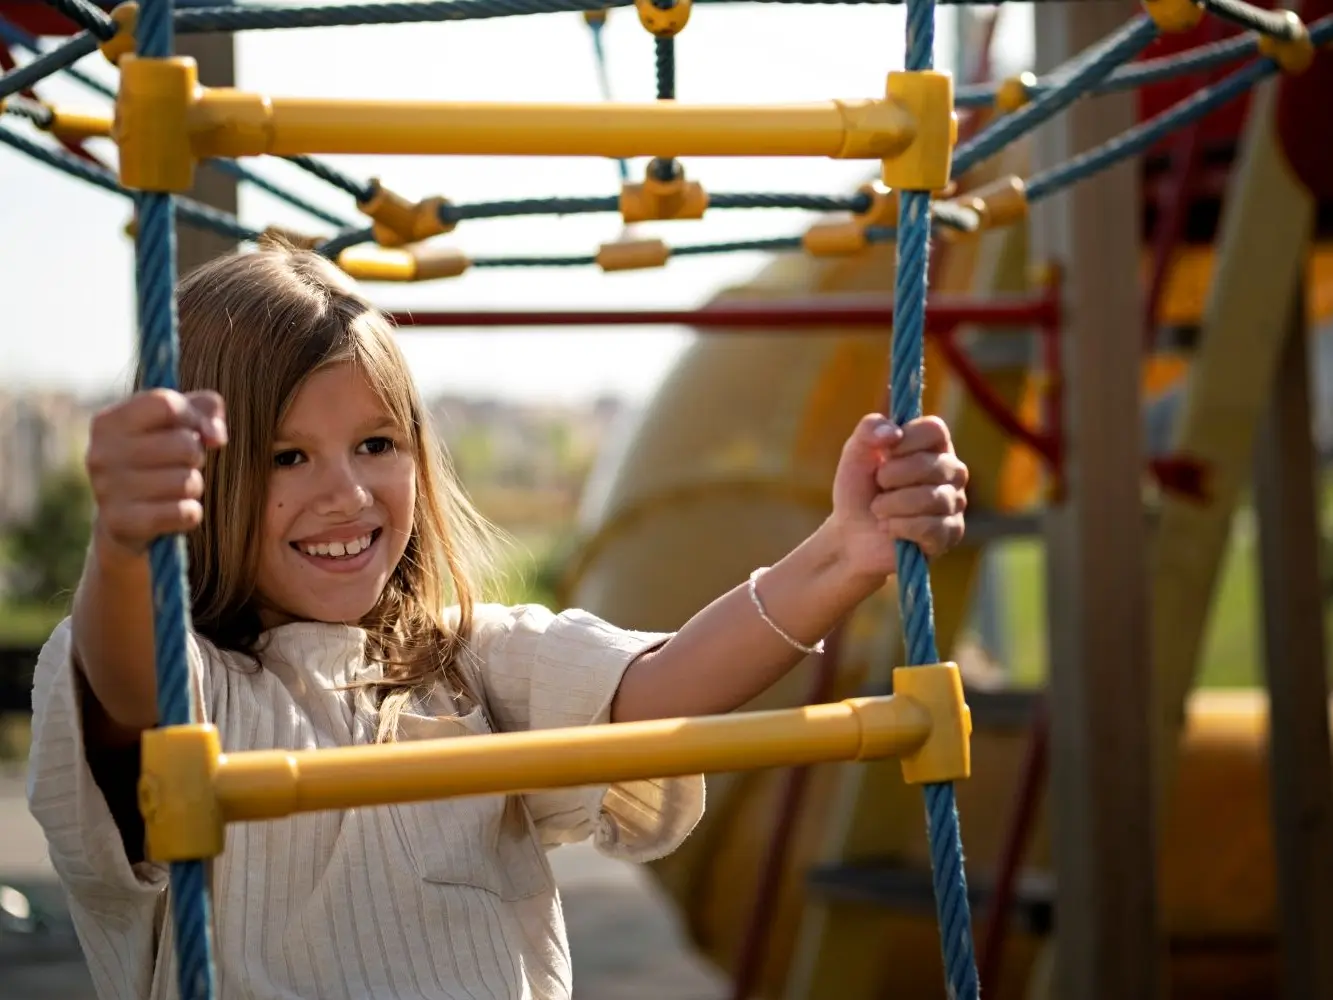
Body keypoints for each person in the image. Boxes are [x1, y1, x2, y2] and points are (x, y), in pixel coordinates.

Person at [26, 244, 969, 1000]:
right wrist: (125, 539)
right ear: (210, 477)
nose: (347, 494)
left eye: (375, 444)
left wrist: (842, 553)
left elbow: (659, 689)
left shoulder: (464, 665)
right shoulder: (199, 686)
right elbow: (129, 685)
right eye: (286, 458)